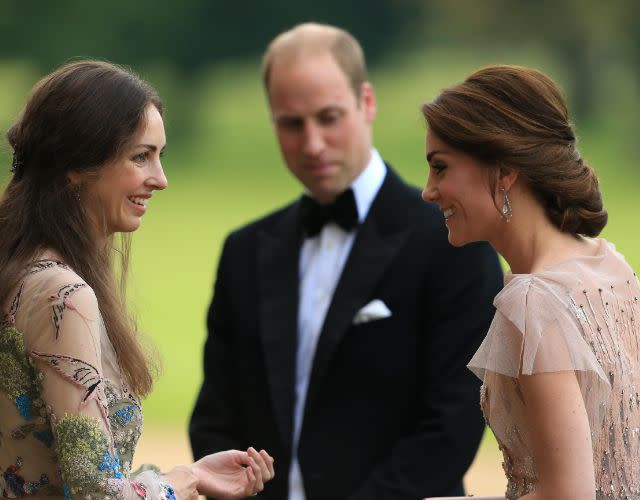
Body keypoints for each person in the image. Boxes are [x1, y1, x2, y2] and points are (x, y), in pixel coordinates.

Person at [189, 23, 503, 500]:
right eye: (292, 124)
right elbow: (215, 417)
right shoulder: (244, 250)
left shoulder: (453, 241)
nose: (312, 143)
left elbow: (453, 422)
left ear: (367, 103)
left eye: (328, 117)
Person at [0, 60, 274, 499]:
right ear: (76, 163)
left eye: (160, 157)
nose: (160, 180)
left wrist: (186, 472)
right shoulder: (62, 294)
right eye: (140, 156)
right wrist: (184, 481)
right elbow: (96, 494)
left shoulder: (20, 269)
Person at [421, 65, 640, 500]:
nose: (429, 191)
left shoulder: (533, 299)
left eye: (441, 168)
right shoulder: (609, 265)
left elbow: (568, 495)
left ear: (504, 172)